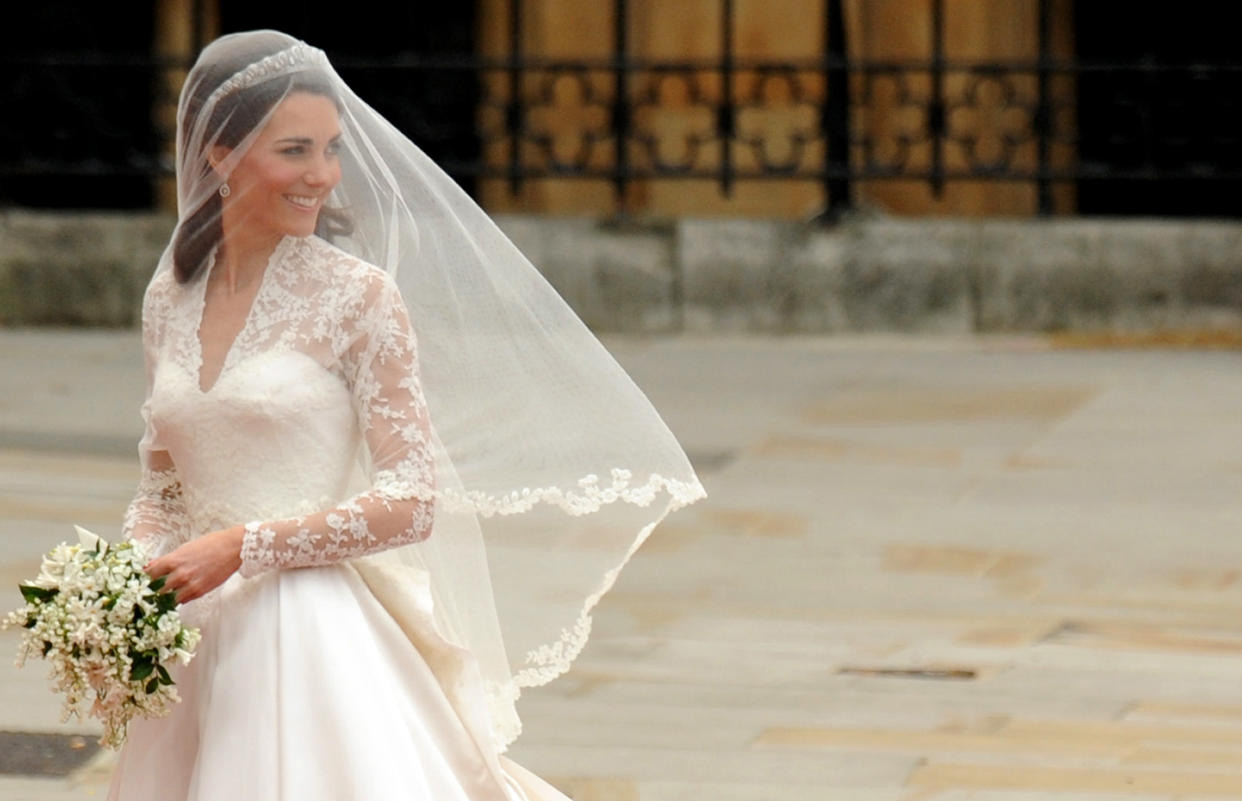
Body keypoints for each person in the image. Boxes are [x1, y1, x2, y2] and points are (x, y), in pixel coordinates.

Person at [107, 29, 704, 801]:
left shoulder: (358, 297)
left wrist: (243, 547)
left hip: (311, 630)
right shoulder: (170, 297)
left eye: (331, 149)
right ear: (219, 154)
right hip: (191, 638)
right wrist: (129, 584)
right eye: (295, 150)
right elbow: (160, 488)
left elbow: (412, 500)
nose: (322, 175)